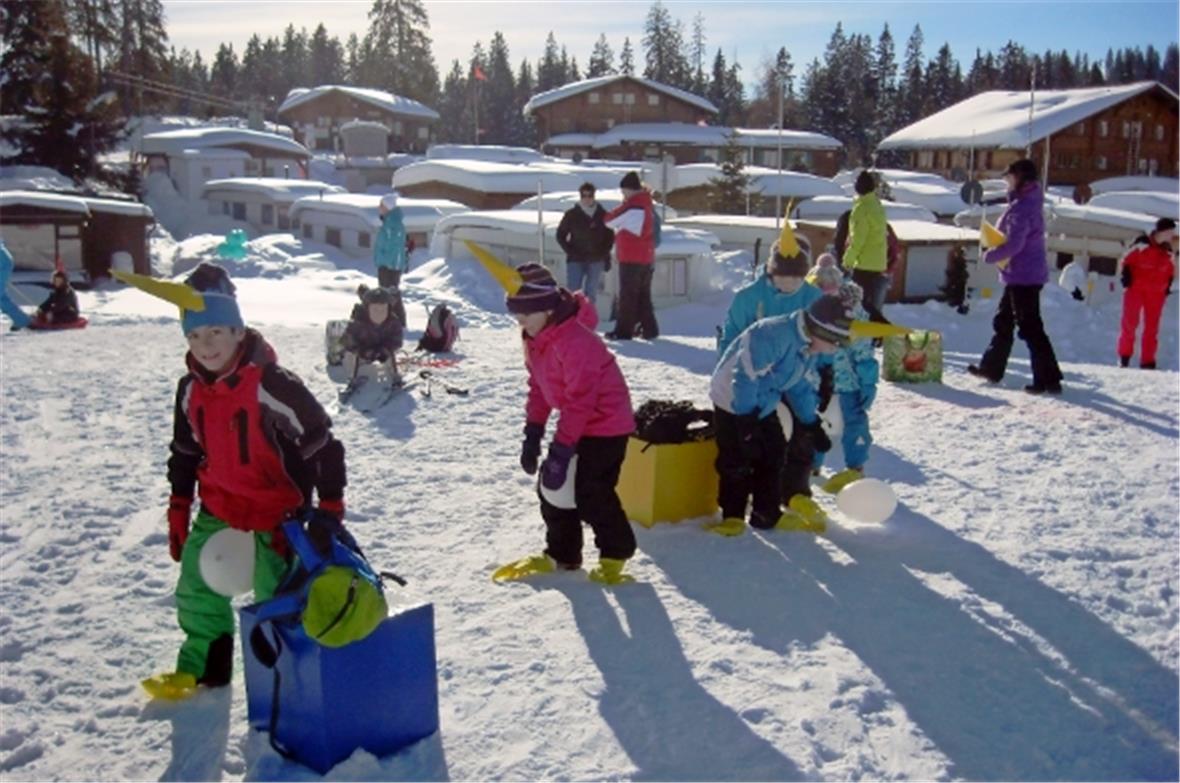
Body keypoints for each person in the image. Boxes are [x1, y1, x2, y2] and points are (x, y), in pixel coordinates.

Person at [146, 262, 347, 697]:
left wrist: (329, 508)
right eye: (195, 336)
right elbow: (184, 453)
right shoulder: (190, 390)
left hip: (277, 515)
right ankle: (205, 667)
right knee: (197, 590)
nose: (205, 345)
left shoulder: (272, 386)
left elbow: (324, 445)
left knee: (274, 600)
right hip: (218, 508)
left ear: (239, 331)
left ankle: (283, 684)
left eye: (216, 331)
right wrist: (179, 505)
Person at [494, 263, 638, 585]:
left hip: (608, 423)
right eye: (516, 317)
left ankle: (617, 551)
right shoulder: (537, 338)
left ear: (546, 307)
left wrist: (562, 447)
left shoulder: (575, 342)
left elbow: (580, 401)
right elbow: (540, 387)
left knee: (591, 491)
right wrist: (533, 433)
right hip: (579, 420)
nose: (521, 323)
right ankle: (563, 553)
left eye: (525, 315)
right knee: (552, 488)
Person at [705, 295, 851, 537]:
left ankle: (767, 513)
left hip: (763, 401)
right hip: (733, 400)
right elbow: (745, 377)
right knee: (736, 460)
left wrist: (810, 423)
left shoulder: (805, 346)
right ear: (820, 330)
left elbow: (796, 384)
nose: (835, 348)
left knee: (773, 454)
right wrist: (746, 423)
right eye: (835, 341)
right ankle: (732, 517)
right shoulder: (772, 335)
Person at [967, 158, 1064, 394]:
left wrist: (991, 255)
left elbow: (1015, 244)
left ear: (1021, 179)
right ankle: (991, 368)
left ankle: (1048, 379)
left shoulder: (1023, 207)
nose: (1006, 182)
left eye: (1009, 177)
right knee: (1004, 321)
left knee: (1029, 327)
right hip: (1018, 274)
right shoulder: (1024, 202)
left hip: (1025, 276)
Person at [808, 266, 879, 494]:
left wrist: (868, 383)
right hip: (821, 383)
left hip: (849, 385)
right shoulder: (816, 313)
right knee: (814, 422)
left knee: (855, 424)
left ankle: (855, 467)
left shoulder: (853, 317)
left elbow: (864, 355)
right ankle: (812, 464)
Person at [717, 234, 821, 357]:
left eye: (795, 279)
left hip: (802, 369)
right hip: (756, 367)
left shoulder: (814, 298)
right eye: (782, 279)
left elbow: (826, 342)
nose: (788, 285)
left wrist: (826, 369)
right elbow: (731, 337)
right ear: (771, 273)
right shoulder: (748, 298)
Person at [604, 171, 658, 340]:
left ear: (629, 189)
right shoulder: (648, 204)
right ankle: (650, 329)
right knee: (643, 296)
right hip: (646, 257)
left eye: (624, 191)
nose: (623, 195)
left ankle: (623, 331)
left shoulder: (633, 206)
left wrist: (623, 204)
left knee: (627, 296)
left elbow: (609, 220)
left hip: (631, 258)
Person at [1118, 217, 1176, 369]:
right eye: (1170, 231)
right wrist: (1126, 275)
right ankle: (1124, 357)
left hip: (1156, 293)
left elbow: (1170, 269)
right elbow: (1126, 260)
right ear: (1162, 231)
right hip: (1136, 289)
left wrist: (1168, 285)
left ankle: (1148, 361)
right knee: (1130, 323)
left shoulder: (1168, 251)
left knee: (1152, 328)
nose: (1172, 235)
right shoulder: (1142, 244)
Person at [841, 171, 891, 324]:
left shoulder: (861, 209)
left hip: (864, 263)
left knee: (860, 301)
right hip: (878, 262)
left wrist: (847, 260)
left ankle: (883, 329)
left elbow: (858, 239)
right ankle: (878, 331)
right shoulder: (877, 205)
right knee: (869, 301)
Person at [556, 182, 614, 305]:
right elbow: (560, 235)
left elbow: (610, 237)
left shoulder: (602, 215)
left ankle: (587, 320)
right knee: (573, 292)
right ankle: (572, 319)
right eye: (584, 195)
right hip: (576, 259)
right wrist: (570, 251)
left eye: (590, 195)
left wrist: (604, 254)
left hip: (596, 259)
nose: (587, 198)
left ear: (594, 196)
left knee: (591, 293)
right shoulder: (571, 215)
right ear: (580, 196)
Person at [340, 285, 405, 389]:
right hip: (362, 353)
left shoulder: (393, 322)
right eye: (375, 309)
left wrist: (385, 350)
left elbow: (396, 341)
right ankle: (352, 378)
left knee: (391, 356)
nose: (379, 313)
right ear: (367, 309)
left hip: (382, 351)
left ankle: (395, 377)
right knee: (350, 358)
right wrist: (362, 351)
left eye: (383, 309)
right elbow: (347, 341)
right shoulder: (358, 322)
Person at [373, 191, 408, 327]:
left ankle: (399, 321)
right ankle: (389, 320)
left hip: (390, 266)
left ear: (387, 207)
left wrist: (388, 263)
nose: (379, 208)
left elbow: (394, 247)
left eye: (381, 205)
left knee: (391, 294)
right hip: (385, 264)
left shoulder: (393, 225)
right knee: (386, 294)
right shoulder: (388, 223)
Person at [0, 239, 32, 331]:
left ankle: (22, 320)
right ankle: (21, 320)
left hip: (3, 264)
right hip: (4, 263)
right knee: (2, 298)